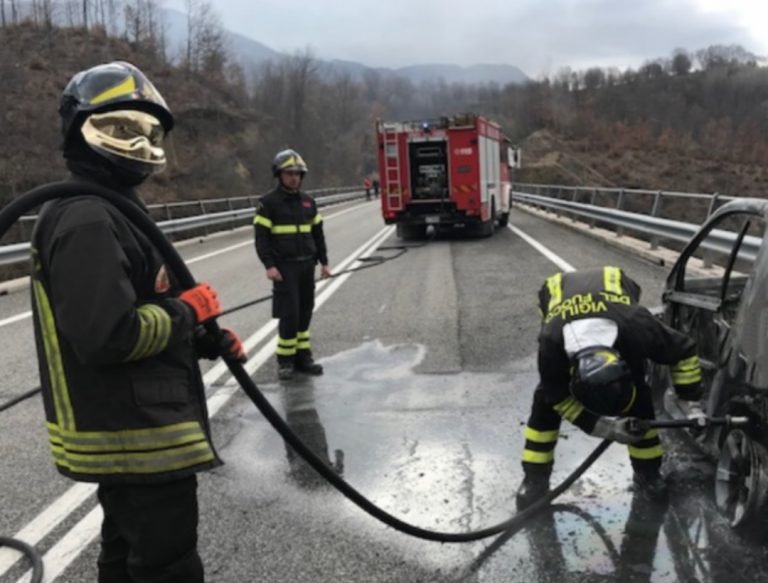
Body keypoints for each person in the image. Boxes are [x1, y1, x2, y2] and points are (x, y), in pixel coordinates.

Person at [30, 61, 245, 583]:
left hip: (136, 431)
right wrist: (189, 311)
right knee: (167, 567)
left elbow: (143, 305)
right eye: (123, 127)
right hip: (134, 435)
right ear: (81, 129)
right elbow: (109, 335)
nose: (139, 143)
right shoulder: (87, 217)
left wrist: (203, 339)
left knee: (126, 559)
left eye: (149, 132)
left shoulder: (114, 210)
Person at [515, 266, 704, 507]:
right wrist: (606, 428)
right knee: (545, 400)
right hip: (557, 293)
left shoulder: (639, 327)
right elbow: (559, 398)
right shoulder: (552, 344)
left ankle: (647, 475)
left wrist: (689, 400)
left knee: (639, 401)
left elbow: (684, 350)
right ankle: (535, 479)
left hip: (617, 295)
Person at [253, 149, 332, 380]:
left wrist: (324, 262)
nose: (294, 178)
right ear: (279, 175)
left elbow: (318, 235)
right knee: (290, 314)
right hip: (284, 269)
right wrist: (269, 265)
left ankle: (303, 358)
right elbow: (261, 239)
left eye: (297, 174)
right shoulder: (268, 203)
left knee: (305, 313)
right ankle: (285, 361)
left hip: (307, 265)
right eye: (289, 173)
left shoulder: (308, 202)